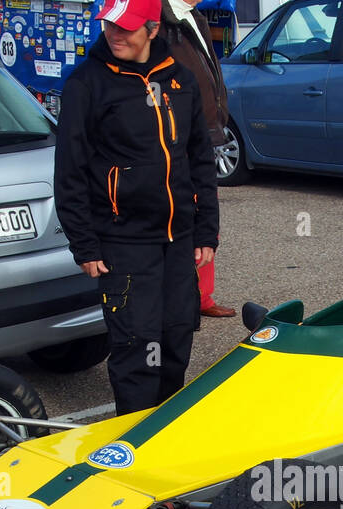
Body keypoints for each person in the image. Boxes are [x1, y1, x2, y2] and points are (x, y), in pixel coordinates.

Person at [54, 0, 219, 415]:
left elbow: (200, 158)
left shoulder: (179, 79)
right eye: (109, 25)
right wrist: (85, 245)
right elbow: (70, 172)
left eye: (125, 27)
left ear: (151, 28)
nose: (114, 34)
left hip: (178, 240)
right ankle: (134, 443)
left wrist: (206, 231)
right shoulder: (87, 84)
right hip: (123, 243)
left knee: (176, 338)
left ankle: (165, 431)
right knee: (136, 348)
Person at [160, 0, 235, 317]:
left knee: (206, 213)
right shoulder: (162, 20)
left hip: (203, 131)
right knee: (180, 214)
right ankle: (181, 298)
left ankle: (203, 297)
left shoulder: (193, 17)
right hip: (178, 136)